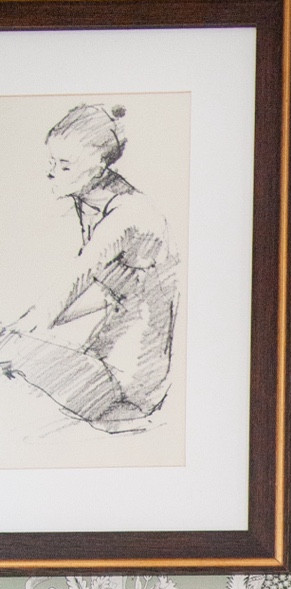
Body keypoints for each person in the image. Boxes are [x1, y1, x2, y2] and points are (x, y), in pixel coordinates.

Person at [0, 102, 179, 434]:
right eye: (52, 162)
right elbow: (107, 295)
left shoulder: (129, 215)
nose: (51, 172)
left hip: (125, 388)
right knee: (11, 343)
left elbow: (71, 284)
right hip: (113, 373)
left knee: (9, 349)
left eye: (65, 165)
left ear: (99, 166)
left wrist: (19, 332)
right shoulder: (96, 202)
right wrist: (19, 329)